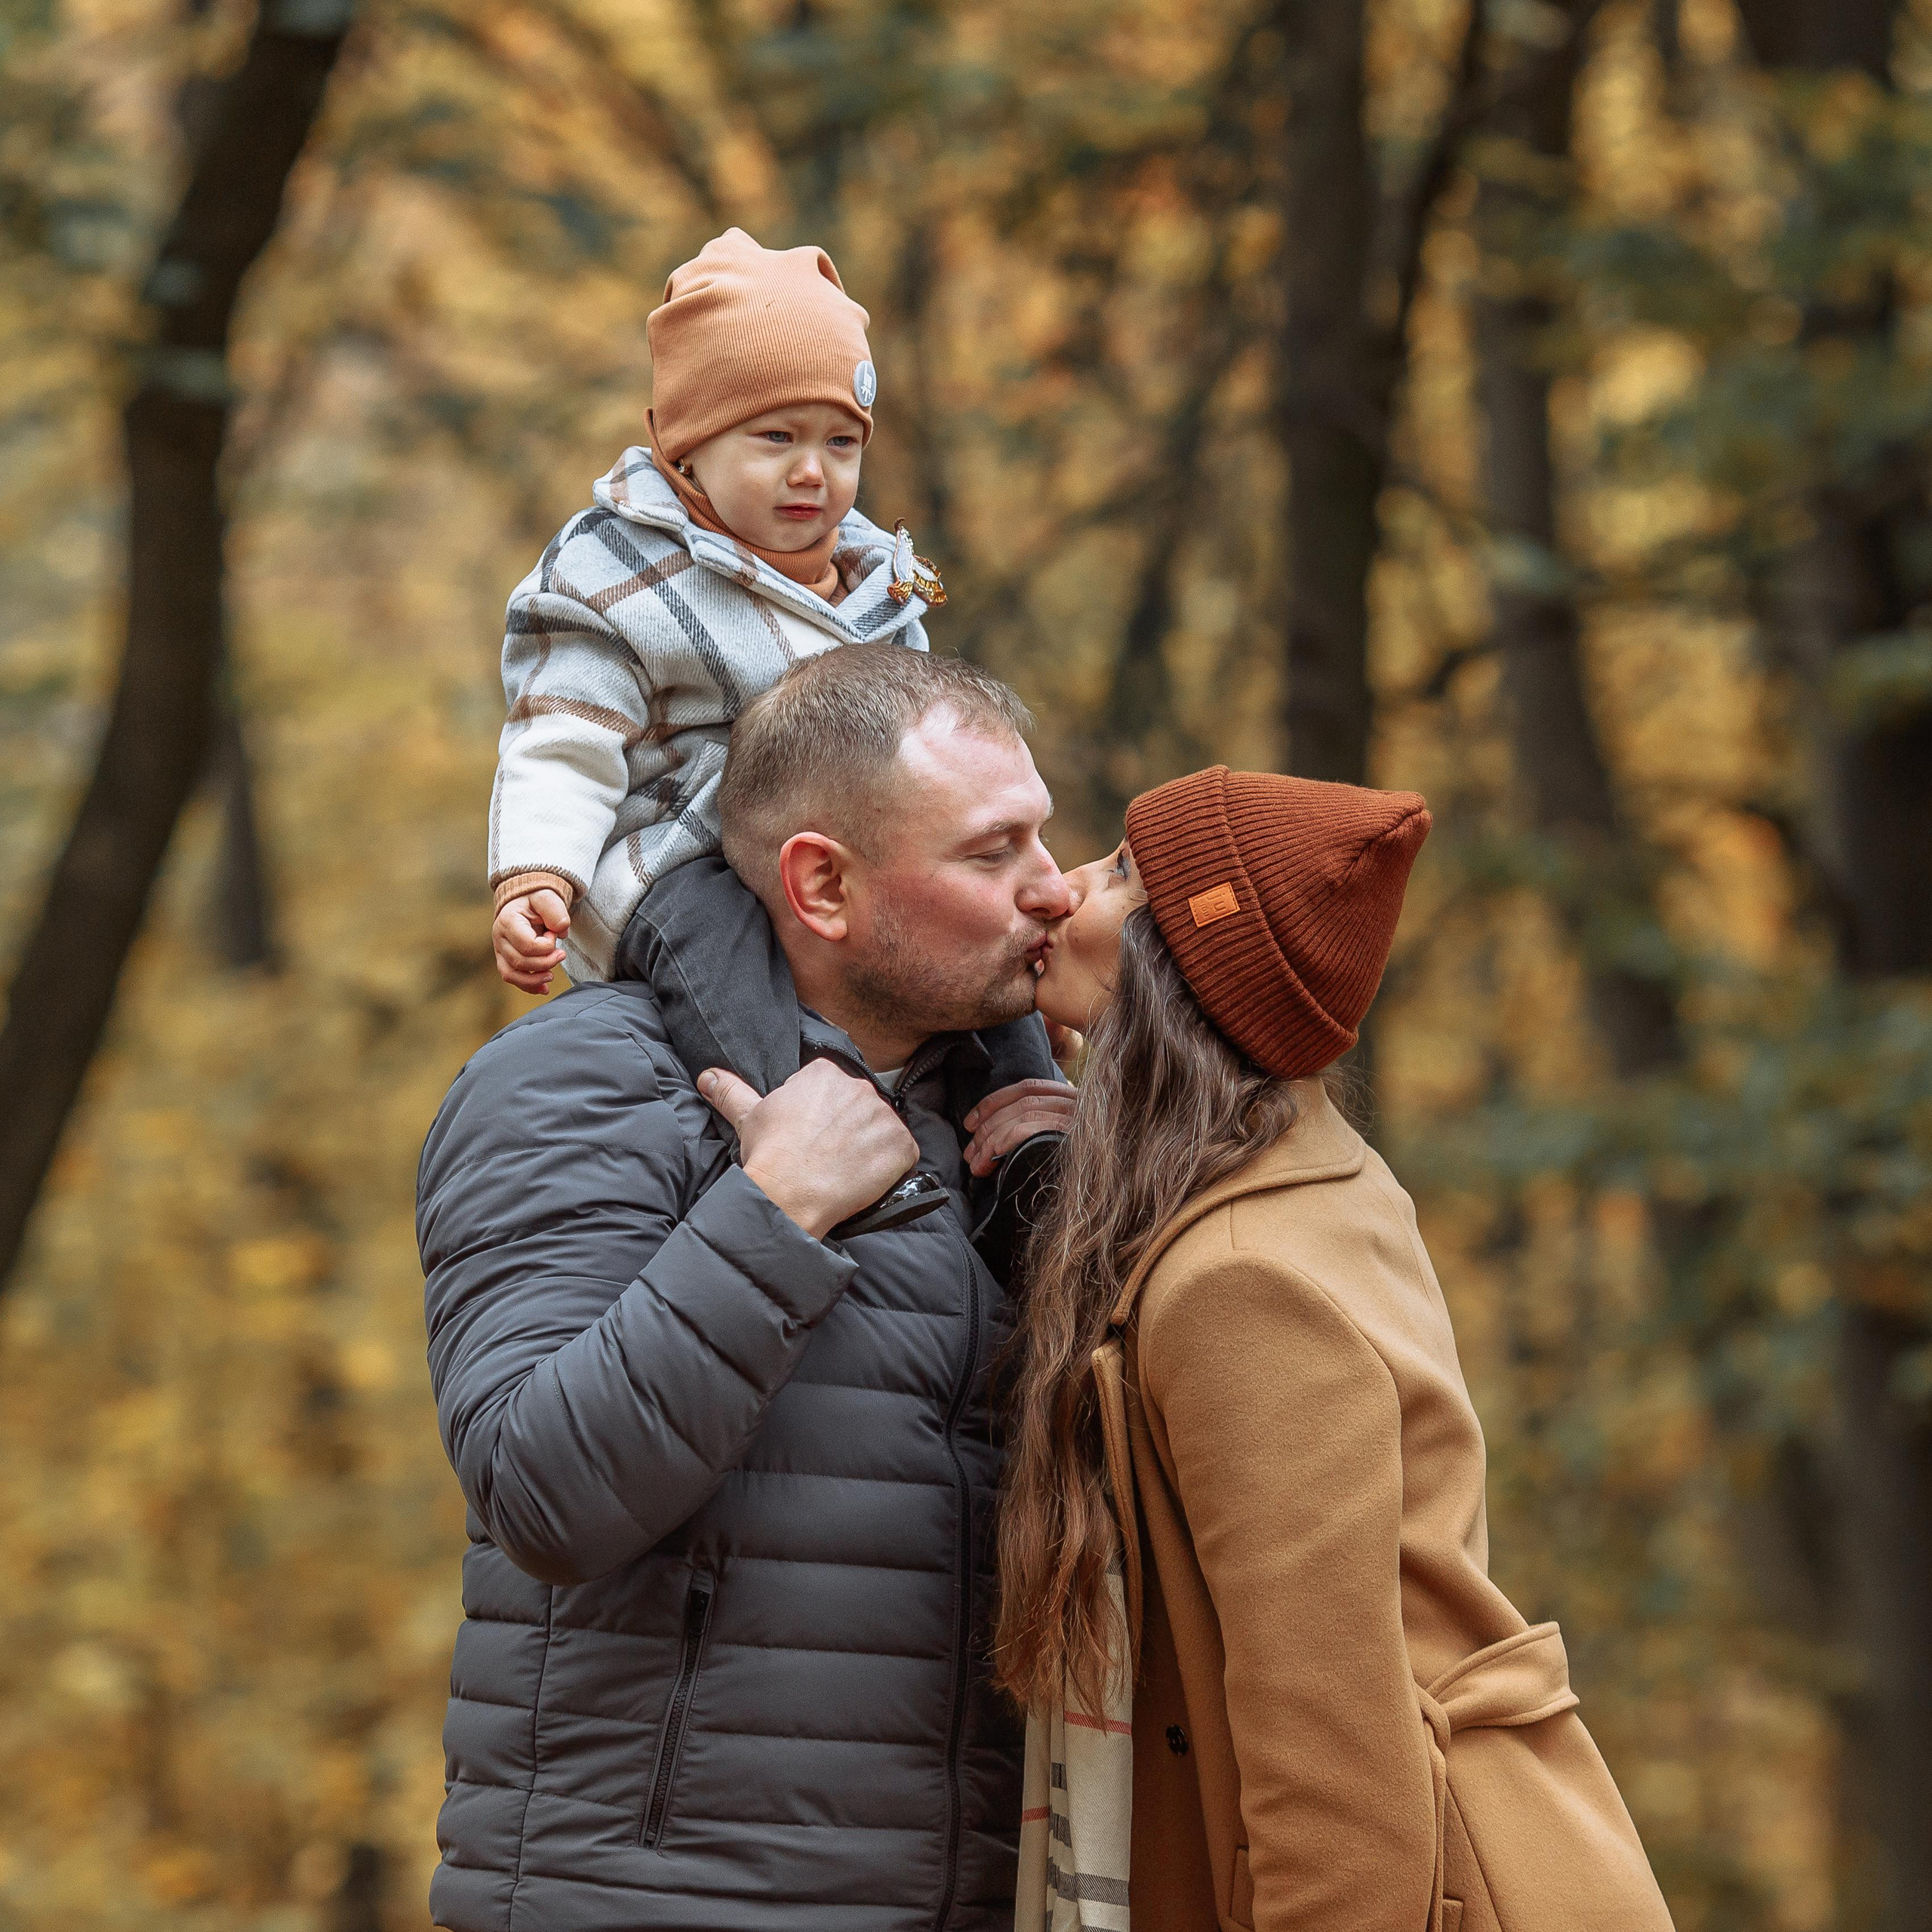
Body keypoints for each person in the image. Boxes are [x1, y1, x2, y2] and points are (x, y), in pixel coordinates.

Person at [418, 646, 1069, 1932]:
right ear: (821, 883)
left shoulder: (1014, 1125)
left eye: (1045, 839)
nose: (1050, 891)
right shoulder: (579, 1084)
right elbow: (542, 1492)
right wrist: (775, 1214)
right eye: (993, 854)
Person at [983, 765, 1675, 1932]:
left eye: (1118, 875)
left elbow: (1334, 1782)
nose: (1061, 888)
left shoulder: (1240, 1287)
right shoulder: (1308, 1166)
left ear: (1173, 971)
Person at [488, 226, 948, 989]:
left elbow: (935, 746)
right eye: (776, 437)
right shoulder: (619, 574)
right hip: (684, 866)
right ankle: (783, 1100)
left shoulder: (879, 582)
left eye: (841, 442)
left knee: (964, 933)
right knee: (722, 961)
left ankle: (1026, 1096)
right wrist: (539, 874)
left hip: (847, 862)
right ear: (686, 449)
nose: (812, 470)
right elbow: (563, 736)